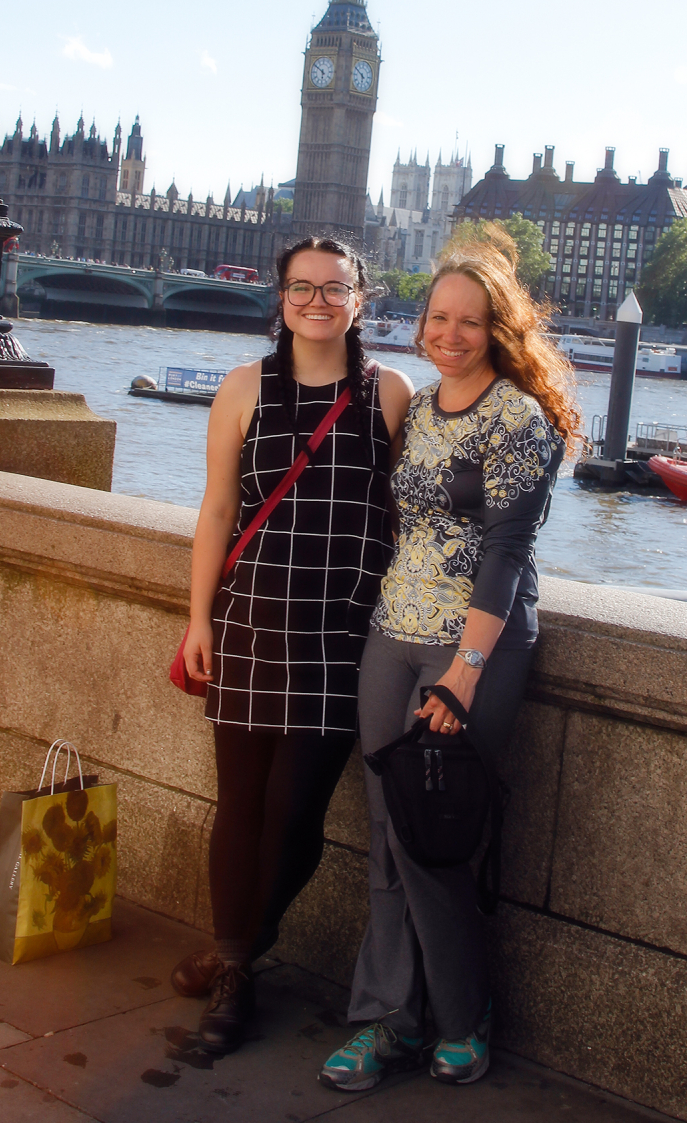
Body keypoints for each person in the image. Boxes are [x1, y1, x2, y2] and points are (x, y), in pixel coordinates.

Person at [320, 224, 579, 1091]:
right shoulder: (423, 407)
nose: (450, 334)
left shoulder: (519, 419)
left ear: (498, 330)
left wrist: (464, 675)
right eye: (438, 317)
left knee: (431, 838)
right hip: (392, 635)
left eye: (470, 321)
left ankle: (463, 1018)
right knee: (386, 835)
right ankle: (387, 1020)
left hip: (473, 647)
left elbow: (506, 552)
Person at [171, 236, 413, 1055]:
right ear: (280, 298)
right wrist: (199, 619)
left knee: (295, 813)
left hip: (342, 630)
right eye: (301, 288)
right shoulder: (243, 388)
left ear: (360, 299)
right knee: (240, 806)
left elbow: (406, 515)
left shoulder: (389, 394)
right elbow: (217, 511)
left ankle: (235, 949)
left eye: (334, 288)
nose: (317, 301)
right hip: (250, 619)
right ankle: (236, 972)